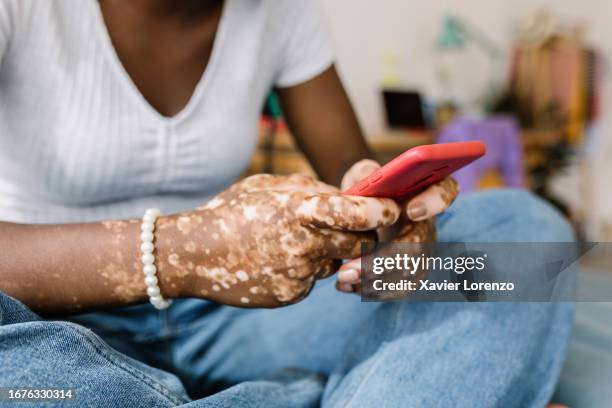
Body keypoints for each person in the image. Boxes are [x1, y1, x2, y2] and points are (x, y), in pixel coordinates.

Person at [0, 1, 574, 406]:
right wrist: (189, 251)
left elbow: (354, 175)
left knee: (520, 239)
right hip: (50, 314)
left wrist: (394, 227)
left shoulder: (280, 10)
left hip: (230, 319)